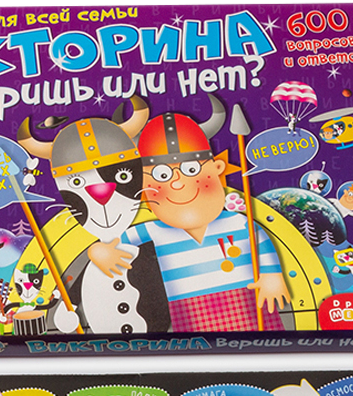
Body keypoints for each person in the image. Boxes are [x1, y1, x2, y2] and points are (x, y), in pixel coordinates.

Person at [88, 99, 290, 334]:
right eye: (162, 175)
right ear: (144, 184)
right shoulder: (153, 230)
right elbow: (111, 243)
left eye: (191, 170)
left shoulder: (238, 222)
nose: (177, 182)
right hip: (188, 309)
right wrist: (99, 251)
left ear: (217, 169)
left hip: (248, 303)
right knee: (198, 349)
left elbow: (259, 240)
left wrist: (272, 276)